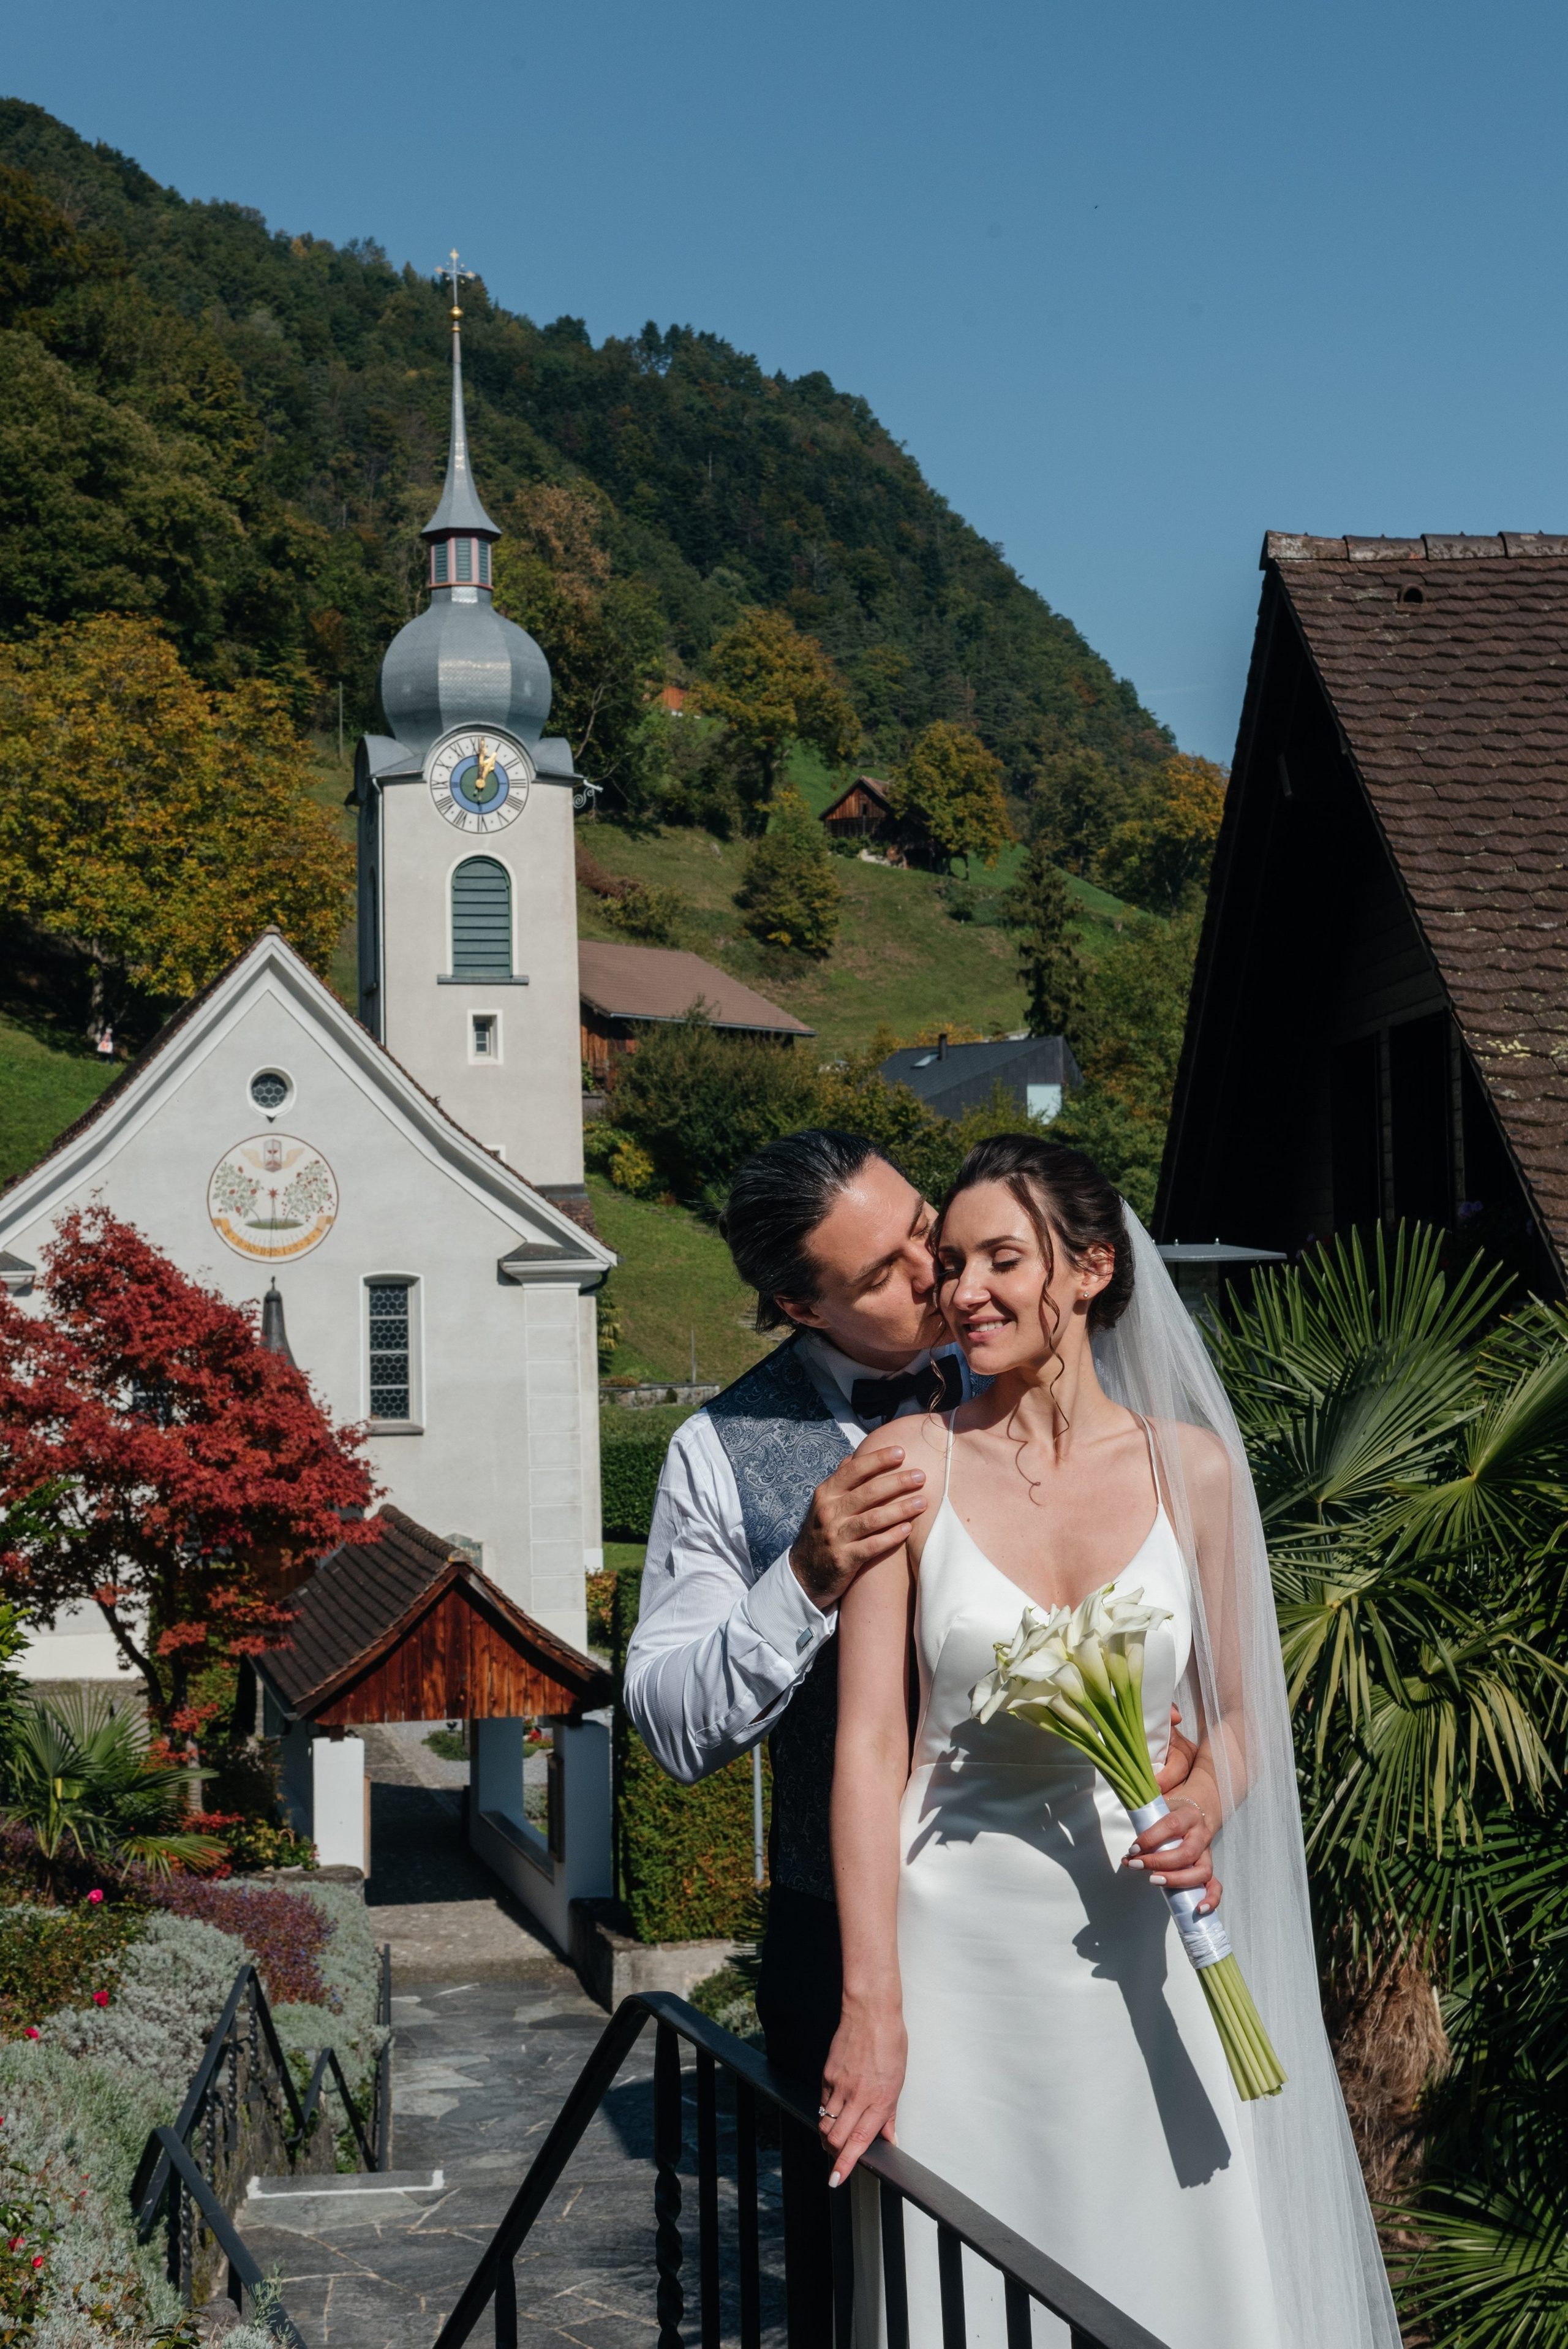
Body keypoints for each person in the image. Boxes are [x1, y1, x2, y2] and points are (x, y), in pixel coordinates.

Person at [622, 1130, 1207, 2343]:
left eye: (923, 1230)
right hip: (842, 1939)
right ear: (798, 1305)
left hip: (1086, 1918)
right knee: (879, 2290)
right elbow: (669, 1725)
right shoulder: (715, 1454)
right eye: (889, 1274)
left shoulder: (1054, 1353)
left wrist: (1200, 1758)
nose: (940, 1280)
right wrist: (800, 1576)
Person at [820, 1134, 1401, 2349]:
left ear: (1086, 1270)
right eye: (950, 1262)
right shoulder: (901, 1469)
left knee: (1175, 2277)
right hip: (957, 1962)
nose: (960, 1290)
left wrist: (1204, 1802)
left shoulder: (1191, 1471)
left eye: (998, 1259)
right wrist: (869, 2003)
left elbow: (1246, 1716)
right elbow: (871, 1750)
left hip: (1143, 1946)